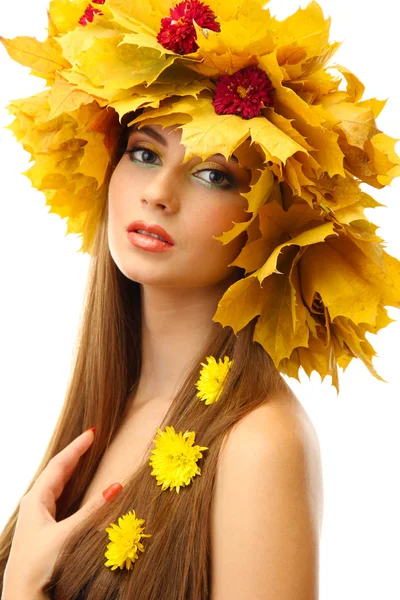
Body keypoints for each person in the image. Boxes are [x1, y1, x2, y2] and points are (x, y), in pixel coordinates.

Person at [0, 0, 399, 598]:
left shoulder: (260, 444)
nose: (158, 193)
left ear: (273, 217)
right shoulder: (111, 398)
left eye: (214, 174)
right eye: (143, 153)